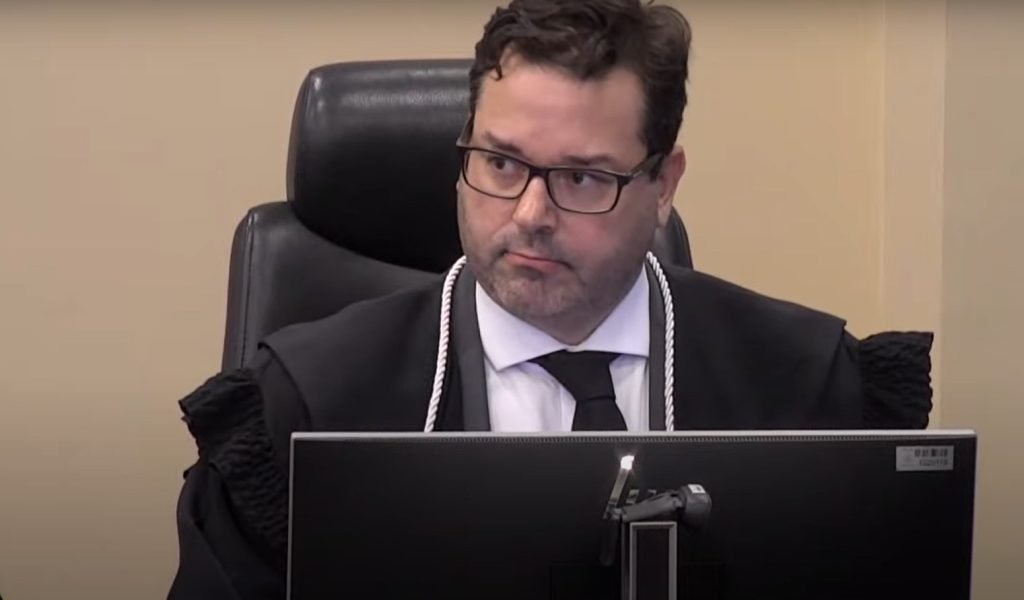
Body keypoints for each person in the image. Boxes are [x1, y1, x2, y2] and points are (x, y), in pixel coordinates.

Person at [168, 0, 932, 597]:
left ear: (664, 185)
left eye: (582, 177)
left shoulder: (806, 389)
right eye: (500, 164)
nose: (530, 213)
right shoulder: (304, 406)